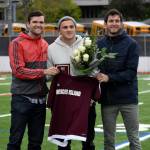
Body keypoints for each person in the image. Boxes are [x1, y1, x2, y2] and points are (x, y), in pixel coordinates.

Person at [7, 10, 59, 150]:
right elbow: (18, 71)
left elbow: (46, 75)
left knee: (36, 144)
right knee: (15, 142)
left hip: (40, 101)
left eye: (41, 22)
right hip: (22, 100)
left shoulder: (45, 44)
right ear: (28, 24)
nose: (38, 25)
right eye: (35, 22)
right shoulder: (17, 43)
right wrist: (44, 72)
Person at [47, 16, 96, 150]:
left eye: (71, 26)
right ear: (59, 30)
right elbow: (48, 77)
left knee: (88, 141)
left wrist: (91, 96)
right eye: (65, 27)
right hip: (63, 103)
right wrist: (48, 73)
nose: (69, 30)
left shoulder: (87, 45)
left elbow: (95, 73)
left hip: (86, 103)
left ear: (75, 28)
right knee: (63, 144)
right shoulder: (51, 49)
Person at [96, 9, 142, 150]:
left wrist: (109, 78)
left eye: (117, 21)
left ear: (122, 24)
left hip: (128, 99)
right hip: (108, 100)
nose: (114, 24)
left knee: (134, 139)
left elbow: (131, 73)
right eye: (111, 21)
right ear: (105, 24)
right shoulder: (99, 44)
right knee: (109, 140)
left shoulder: (131, 44)